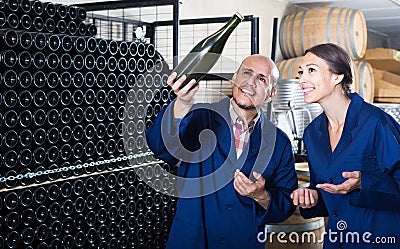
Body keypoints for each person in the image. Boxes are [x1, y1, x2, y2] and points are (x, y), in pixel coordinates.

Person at [145, 54, 297, 249]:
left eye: (261, 79)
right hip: (191, 241)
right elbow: (159, 146)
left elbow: (286, 204)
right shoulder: (198, 118)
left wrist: (261, 195)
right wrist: (182, 103)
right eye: (246, 73)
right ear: (234, 78)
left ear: (271, 94)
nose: (250, 82)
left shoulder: (279, 143)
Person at [291, 43, 400, 248]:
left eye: (311, 70)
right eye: (301, 72)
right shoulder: (313, 134)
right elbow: (323, 189)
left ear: (337, 76)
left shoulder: (376, 123)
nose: (302, 79)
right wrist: (312, 197)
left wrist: (363, 182)